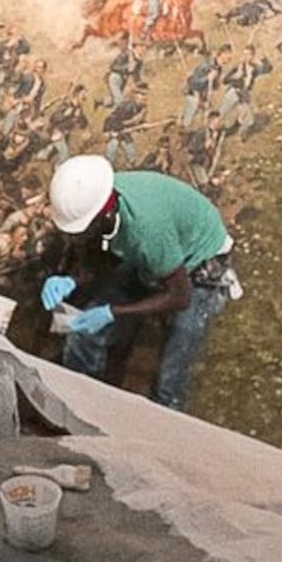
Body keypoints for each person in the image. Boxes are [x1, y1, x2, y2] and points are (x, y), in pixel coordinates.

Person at [40, 154, 242, 412]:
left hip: (199, 271)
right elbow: (103, 257)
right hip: (158, 257)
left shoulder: (145, 230)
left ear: (103, 215)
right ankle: (75, 407)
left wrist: (113, 312)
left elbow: (180, 297)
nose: (79, 236)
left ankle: (160, 434)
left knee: (170, 378)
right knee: (83, 335)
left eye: (83, 229)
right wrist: (72, 279)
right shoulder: (101, 201)